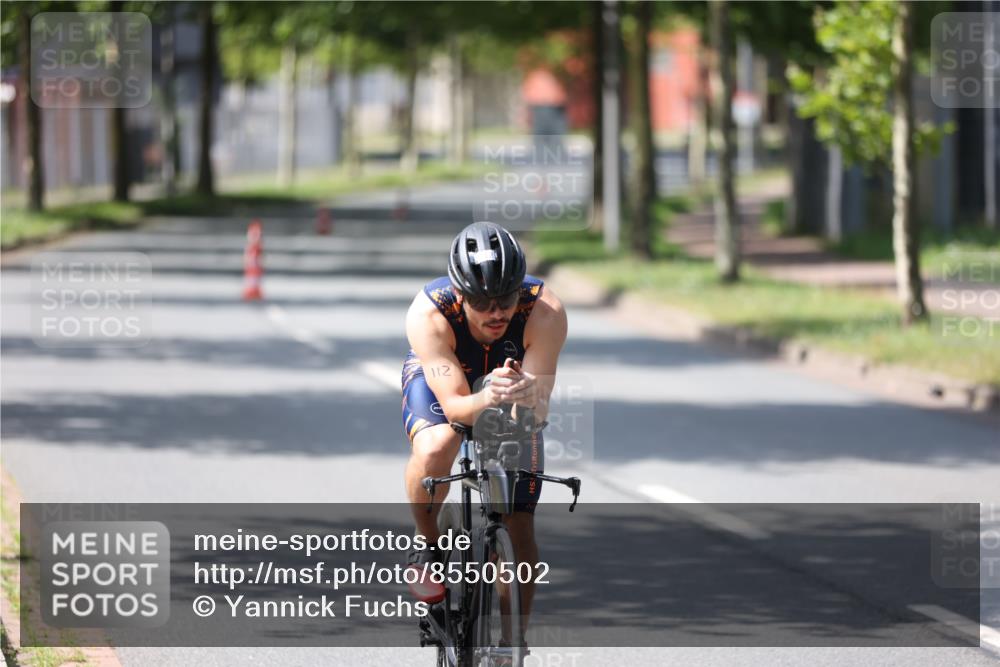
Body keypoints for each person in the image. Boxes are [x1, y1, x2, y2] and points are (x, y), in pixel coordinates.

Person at [400, 221, 567, 638]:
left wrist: (526, 394)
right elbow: (456, 405)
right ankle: (430, 547)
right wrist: (489, 396)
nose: (497, 312)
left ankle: (513, 643)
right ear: (460, 295)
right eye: (481, 300)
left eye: (506, 298)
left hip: (509, 384)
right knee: (438, 443)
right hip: (449, 374)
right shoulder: (429, 314)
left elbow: (537, 410)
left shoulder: (545, 311)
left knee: (519, 522)